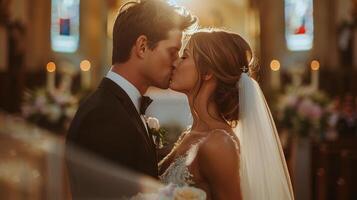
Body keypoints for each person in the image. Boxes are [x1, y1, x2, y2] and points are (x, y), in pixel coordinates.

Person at [65, 0, 196, 198]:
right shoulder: (103, 117)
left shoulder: (118, 106)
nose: (176, 62)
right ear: (142, 46)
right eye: (172, 51)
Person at [159, 29, 295, 200]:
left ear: (207, 73)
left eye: (185, 57)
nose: (175, 63)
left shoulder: (219, 144)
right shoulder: (190, 134)